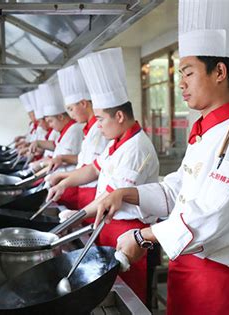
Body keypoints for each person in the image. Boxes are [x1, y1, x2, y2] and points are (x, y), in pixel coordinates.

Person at [93, 1, 229, 314]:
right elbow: (178, 191)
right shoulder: (207, 134)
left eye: (188, 72)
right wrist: (125, 193)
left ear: (219, 72)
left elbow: (209, 217)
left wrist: (144, 234)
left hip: (215, 282)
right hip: (186, 272)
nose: (181, 83)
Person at [47, 47, 159, 303]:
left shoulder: (137, 148)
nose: (97, 125)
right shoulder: (116, 142)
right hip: (108, 229)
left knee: (127, 300)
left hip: (128, 236)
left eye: (100, 119)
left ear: (119, 116)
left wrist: (76, 216)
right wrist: (62, 182)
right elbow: (93, 169)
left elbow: (110, 200)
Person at [46, 64, 109, 210]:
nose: (71, 114)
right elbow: (88, 163)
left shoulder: (99, 130)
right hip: (84, 191)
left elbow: (94, 168)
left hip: (93, 193)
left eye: (71, 109)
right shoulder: (90, 129)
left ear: (83, 103)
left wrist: (63, 179)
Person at [29, 82, 84, 209]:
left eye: (50, 121)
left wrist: (43, 164)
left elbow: (75, 160)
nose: (49, 126)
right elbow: (57, 149)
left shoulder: (75, 130)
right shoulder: (65, 131)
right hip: (62, 185)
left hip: (70, 186)